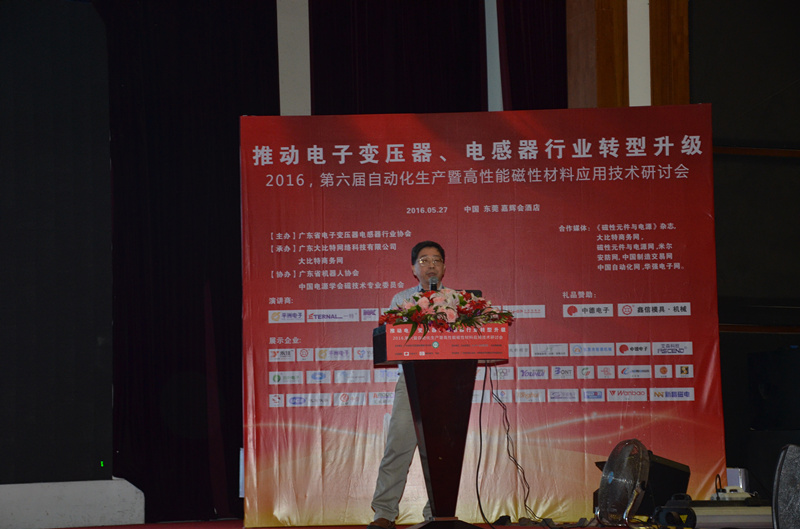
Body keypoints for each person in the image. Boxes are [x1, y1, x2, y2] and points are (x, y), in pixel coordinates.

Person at [368, 241, 447, 529]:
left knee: (441, 452)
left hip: (447, 384)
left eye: (436, 260)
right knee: (398, 446)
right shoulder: (402, 299)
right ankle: (384, 513)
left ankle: (437, 513)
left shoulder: (458, 301)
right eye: (423, 260)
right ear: (414, 269)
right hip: (412, 381)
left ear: (444, 267)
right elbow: (391, 337)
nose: (430, 265)